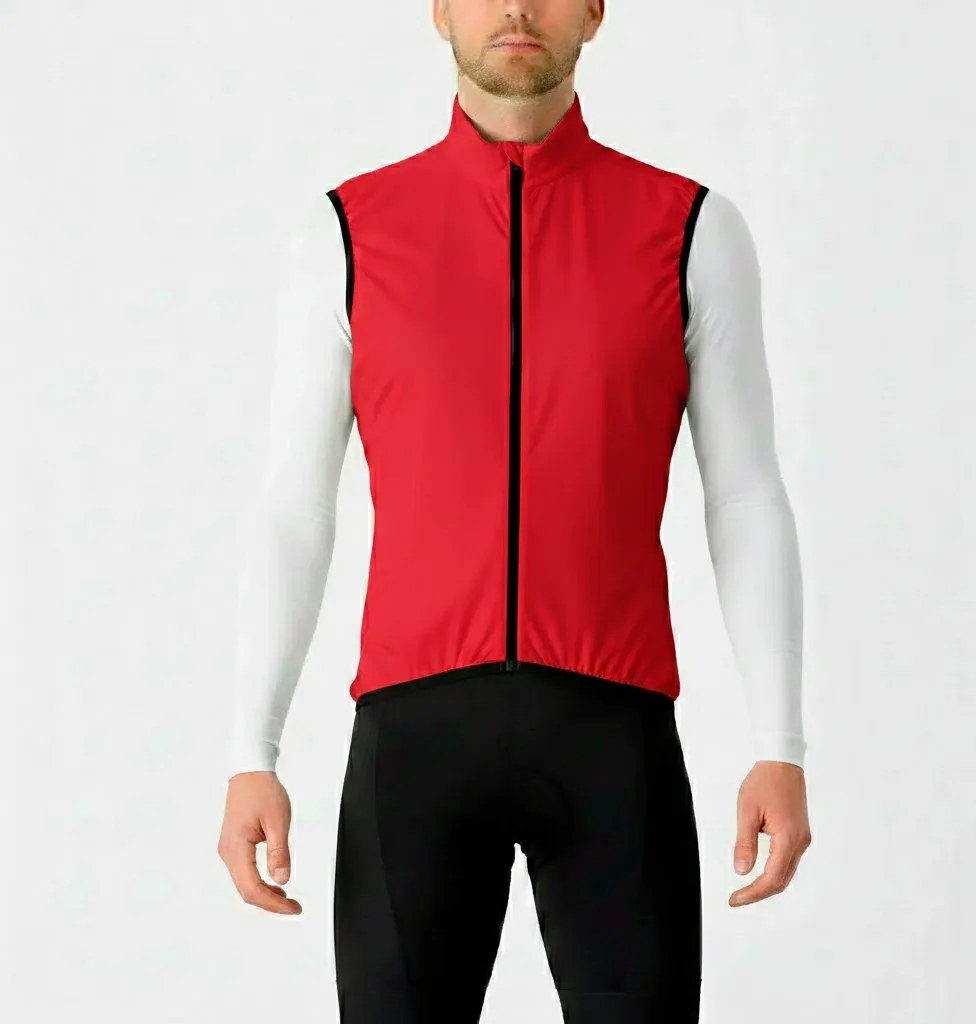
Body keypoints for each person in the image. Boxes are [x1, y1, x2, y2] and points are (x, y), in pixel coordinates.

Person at [217, 1, 811, 1020]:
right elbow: (295, 506)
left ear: (595, 11)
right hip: (412, 742)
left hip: (614, 735)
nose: (518, 8)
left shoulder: (689, 229)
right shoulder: (347, 232)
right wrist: (249, 752)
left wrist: (781, 743)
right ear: (441, 11)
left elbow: (745, 493)